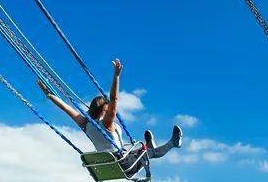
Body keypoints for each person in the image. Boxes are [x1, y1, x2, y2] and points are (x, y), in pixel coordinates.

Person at [37, 59, 181, 160]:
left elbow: (64, 106)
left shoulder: (85, 123)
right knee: (152, 154)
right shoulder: (107, 123)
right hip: (122, 163)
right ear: (105, 110)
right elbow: (114, 99)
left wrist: (48, 94)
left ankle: (148, 146)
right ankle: (172, 143)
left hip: (108, 162)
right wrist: (116, 76)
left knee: (144, 150)